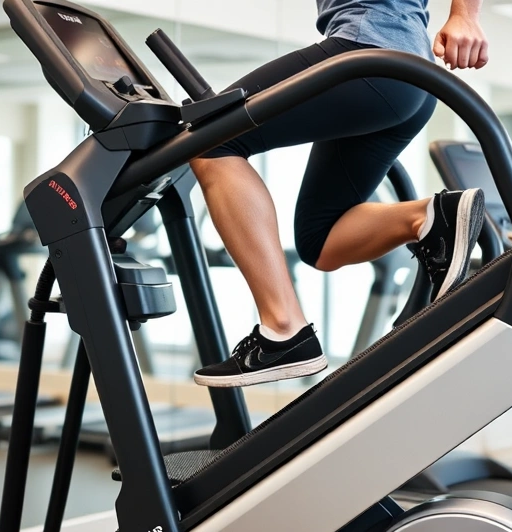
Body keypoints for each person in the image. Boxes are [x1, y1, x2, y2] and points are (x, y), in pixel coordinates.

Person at [192, 0, 489, 387]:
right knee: (320, 241)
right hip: (408, 76)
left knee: (208, 141)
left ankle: (283, 329)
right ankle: (432, 216)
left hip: (367, 51)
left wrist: (466, 14)